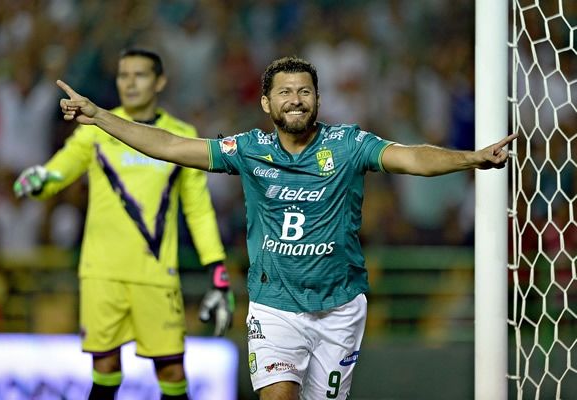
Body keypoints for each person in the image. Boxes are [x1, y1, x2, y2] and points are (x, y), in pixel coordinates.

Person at [56, 56, 517, 400]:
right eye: (284, 92)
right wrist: (100, 117)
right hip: (274, 305)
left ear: (318, 99)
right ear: (266, 103)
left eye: (304, 91)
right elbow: (172, 146)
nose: (295, 99)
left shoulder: (348, 144)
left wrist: (471, 159)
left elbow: (412, 157)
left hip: (339, 307)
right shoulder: (248, 149)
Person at [13, 48, 233, 400]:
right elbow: (63, 167)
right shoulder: (95, 127)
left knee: (172, 371)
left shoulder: (180, 134)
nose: (129, 83)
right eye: (123, 75)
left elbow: (198, 209)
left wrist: (217, 269)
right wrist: (43, 178)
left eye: (139, 75)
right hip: (102, 271)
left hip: (156, 274)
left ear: (160, 81)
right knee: (104, 369)